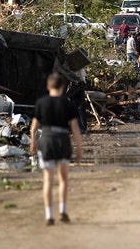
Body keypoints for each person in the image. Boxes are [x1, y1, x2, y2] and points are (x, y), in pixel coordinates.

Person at [31, 73, 82, 225]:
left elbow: (33, 127)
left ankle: (48, 216)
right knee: (63, 179)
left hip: (46, 140)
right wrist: (79, 147)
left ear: (48, 87)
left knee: (48, 180)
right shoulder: (68, 104)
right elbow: (75, 128)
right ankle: (63, 211)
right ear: (62, 87)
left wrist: (33, 142)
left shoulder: (41, 102)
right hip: (62, 141)